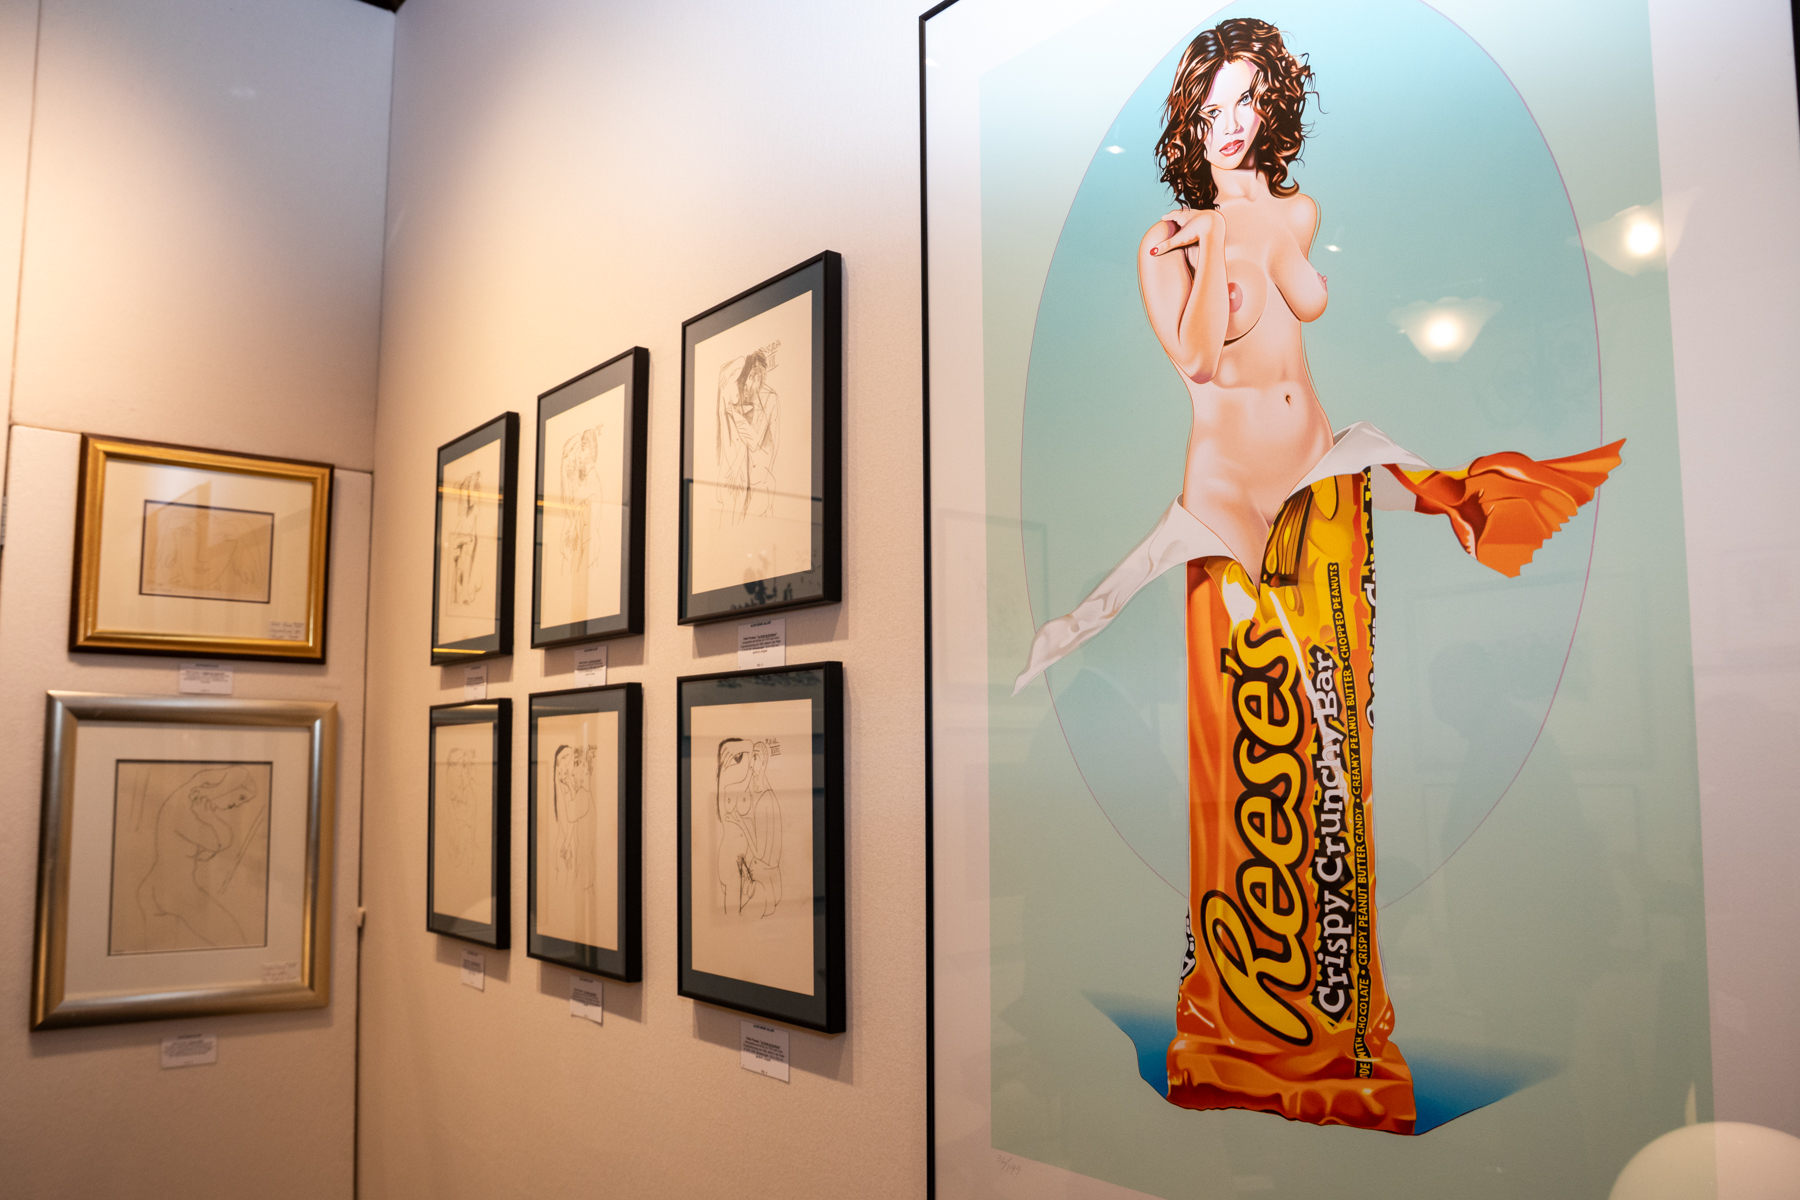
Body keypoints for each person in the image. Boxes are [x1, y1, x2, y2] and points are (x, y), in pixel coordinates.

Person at [1014, 17, 1621, 1134]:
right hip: (1223, 511)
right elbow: (1198, 356)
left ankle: (1338, 1026)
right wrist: (1216, 234)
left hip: (1318, 493)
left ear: (1272, 110)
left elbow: (1305, 300)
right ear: (1189, 125)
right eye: (1211, 108)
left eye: (1246, 101)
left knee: (1333, 757)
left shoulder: (1293, 212)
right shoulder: (1166, 243)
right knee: (1248, 757)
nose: (1229, 122)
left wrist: (1260, 222)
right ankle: (1238, 1028)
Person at [135, 765, 261, 951]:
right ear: (228, 785)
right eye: (241, 797)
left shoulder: (186, 801)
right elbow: (220, 843)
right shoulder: (186, 810)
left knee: (160, 954)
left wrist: (209, 819)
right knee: (235, 941)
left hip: (154, 888)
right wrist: (211, 818)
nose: (236, 805)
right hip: (176, 890)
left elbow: (211, 850)